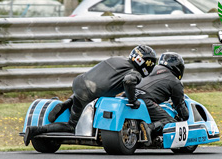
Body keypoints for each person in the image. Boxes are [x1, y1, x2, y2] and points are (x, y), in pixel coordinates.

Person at [24, 45, 157, 146]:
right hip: (90, 93)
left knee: (81, 98)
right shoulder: (135, 73)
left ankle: (65, 103)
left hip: (80, 82)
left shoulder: (117, 59)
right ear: (146, 63)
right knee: (71, 126)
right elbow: (128, 81)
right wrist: (133, 100)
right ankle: (35, 130)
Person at [136, 52, 189, 146]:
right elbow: (180, 106)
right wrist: (185, 117)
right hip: (145, 99)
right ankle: (149, 127)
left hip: (129, 95)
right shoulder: (175, 81)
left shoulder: (150, 69)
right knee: (171, 122)